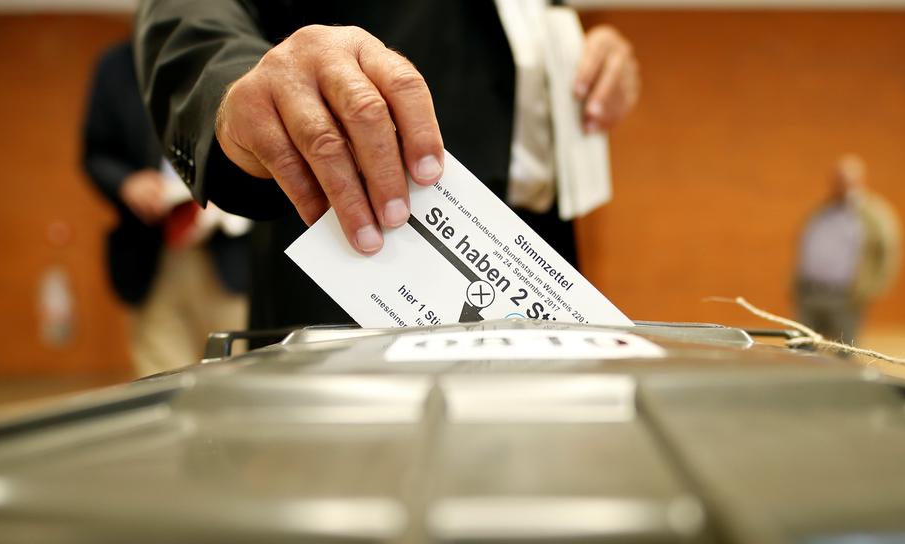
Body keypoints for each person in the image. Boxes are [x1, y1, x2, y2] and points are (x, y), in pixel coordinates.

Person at [134, 2, 640, 332]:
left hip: (534, 272)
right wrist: (234, 84)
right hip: (360, 279)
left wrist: (581, 48)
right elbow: (188, 13)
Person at [83, 39, 253, 376]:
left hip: (227, 245)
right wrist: (126, 182)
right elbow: (95, 153)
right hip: (151, 246)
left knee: (235, 366)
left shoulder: (238, 48)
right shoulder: (116, 66)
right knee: (159, 371)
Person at [793, 155, 903, 345]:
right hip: (810, 295)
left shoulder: (873, 215)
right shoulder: (821, 211)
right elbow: (806, 246)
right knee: (802, 349)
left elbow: (887, 253)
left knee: (844, 352)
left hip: (845, 299)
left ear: (858, 181)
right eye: (836, 179)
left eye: (844, 180)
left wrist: (870, 289)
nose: (839, 184)